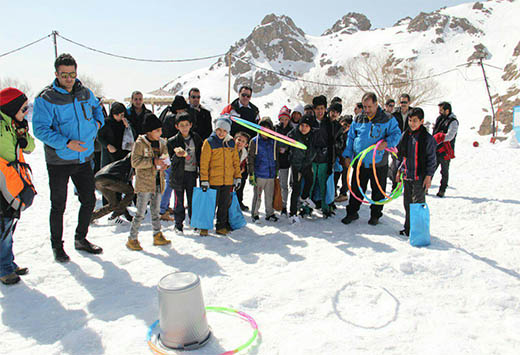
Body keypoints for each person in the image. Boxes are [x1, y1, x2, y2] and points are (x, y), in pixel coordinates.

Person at [33, 53, 104, 262]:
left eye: (72, 74)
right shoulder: (46, 98)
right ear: (56, 74)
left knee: (89, 200)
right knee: (59, 205)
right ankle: (57, 246)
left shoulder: (85, 92)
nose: (69, 79)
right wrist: (66, 142)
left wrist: (97, 125)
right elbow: (40, 129)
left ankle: (81, 239)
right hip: (59, 161)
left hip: (84, 159)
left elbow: (98, 109)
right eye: (64, 75)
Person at [341, 92, 401, 226]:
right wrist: (347, 155)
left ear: (376, 104)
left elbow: (397, 134)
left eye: (369, 107)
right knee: (356, 190)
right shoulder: (358, 118)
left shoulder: (387, 118)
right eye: (364, 107)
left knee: (378, 191)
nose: (367, 110)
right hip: (359, 162)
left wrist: (387, 143)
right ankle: (352, 212)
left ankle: (375, 215)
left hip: (378, 163)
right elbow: (351, 138)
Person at [0, 87, 35, 285]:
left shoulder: (16, 125)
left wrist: (23, 132)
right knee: (3, 226)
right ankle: (4, 268)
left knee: (9, 222)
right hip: (1, 179)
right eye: (23, 109)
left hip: (12, 179)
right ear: (11, 107)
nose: (25, 113)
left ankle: (8, 263)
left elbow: (30, 148)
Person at [127, 113, 171, 250]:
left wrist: (165, 164)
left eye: (160, 130)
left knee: (156, 211)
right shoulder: (140, 143)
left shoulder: (162, 143)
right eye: (157, 131)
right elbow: (135, 162)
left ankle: (157, 234)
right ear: (149, 131)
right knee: (140, 213)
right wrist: (153, 162)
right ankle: (132, 238)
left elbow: (165, 158)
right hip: (145, 183)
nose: (160, 133)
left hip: (158, 181)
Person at [395, 107, 436, 236]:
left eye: (415, 121)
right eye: (410, 120)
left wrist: (429, 176)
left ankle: (418, 232)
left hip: (420, 176)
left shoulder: (427, 138)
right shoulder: (406, 135)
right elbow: (401, 155)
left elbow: (431, 159)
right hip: (407, 175)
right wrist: (399, 170)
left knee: (417, 204)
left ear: (421, 121)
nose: (412, 124)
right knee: (407, 203)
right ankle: (408, 229)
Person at [199, 115, 241, 236]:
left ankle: (221, 226)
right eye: (219, 130)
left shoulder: (231, 143)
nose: (221, 133)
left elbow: (235, 162)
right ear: (215, 129)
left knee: (224, 205)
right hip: (213, 180)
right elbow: (204, 163)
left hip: (227, 180)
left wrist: (237, 177)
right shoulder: (209, 142)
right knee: (210, 204)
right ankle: (204, 226)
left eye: (224, 131)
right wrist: (204, 179)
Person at [166, 113, 202, 233]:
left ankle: (194, 222)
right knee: (179, 200)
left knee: (192, 199)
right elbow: (169, 160)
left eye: (187, 125)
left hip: (192, 173)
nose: (185, 127)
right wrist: (177, 156)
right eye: (182, 125)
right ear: (177, 126)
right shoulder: (172, 141)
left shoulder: (196, 138)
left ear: (191, 125)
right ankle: (178, 224)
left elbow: (200, 155)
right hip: (178, 174)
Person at [159, 95, 189, 220]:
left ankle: (164, 207)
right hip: (171, 154)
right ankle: (162, 209)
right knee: (171, 182)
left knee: (169, 181)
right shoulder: (173, 118)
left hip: (165, 152)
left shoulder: (165, 113)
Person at [288, 114, 317, 223]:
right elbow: (285, 140)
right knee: (296, 189)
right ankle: (292, 213)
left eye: (306, 126)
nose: (304, 128)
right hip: (297, 166)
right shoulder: (294, 134)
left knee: (310, 180)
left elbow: (314, 149)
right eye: (302, 125)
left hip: (307, 163)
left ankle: (304, 197)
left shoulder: (313, 135)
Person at [249, 118, 279, 222]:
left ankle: (269, 213)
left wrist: (276, 169)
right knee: (258, 196)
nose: (265, 131)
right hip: (259, 174)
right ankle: (255, 213)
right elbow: (251, 158)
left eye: (268, 129)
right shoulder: (255, 142)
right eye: (263, 128)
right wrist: (251, 173)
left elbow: (277, 156)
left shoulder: (274, 141)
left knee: (269, 196)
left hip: (270, 174)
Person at [91, 154, 134, 223]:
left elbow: (120, 201)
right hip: (108, 178)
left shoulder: (121, 163)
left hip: (98, 179)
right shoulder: (128, 165)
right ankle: (115, 216)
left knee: (113, 204)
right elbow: (122, 197)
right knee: (131, 192)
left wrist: (128, 216)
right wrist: (125, 215)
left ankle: (91, 217)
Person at [311, 95, 335, 218]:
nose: (319, 111)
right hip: (312, 160)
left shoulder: (328, 123)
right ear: (314, 109)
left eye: (322, 108)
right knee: (309, 184)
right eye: (317, 109)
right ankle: (307, 207)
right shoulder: (310, 122)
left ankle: (326, 208)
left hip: (325, 160)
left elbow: (332, 144)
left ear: (325, 109)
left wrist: (331, 161)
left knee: (324, 184)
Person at [432, 101, 458, 197]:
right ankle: (425, 187)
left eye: (441, 110)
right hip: (435, 149)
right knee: (431, 168)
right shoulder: (439, 119)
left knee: (444, 171)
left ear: (447, 110)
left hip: (446, 150)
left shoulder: (453, 121)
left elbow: (450, 135)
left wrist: (440, 137)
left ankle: (442, 190)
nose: (439, 112)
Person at [98, 102, 135, 168]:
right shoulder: (107, 123)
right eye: (116, 115)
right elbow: (99, 137)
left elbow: (133, 136)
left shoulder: (126, 122)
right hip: (110, 153)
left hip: (123, 153)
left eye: (121, 115)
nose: (119, 117)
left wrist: (127, 127)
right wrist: (107, 145)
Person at [275, 106, 292, 216]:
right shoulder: (275, 128)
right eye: (282, 119)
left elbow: (293, 143)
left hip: (287, 160)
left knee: (285, 184)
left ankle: (284, 205)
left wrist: (286, 148)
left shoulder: (291, 130)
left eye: (286, 119)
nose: (284, 122)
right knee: (277, 184)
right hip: (276, 160)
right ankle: (277, 203)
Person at [334, 115, 352, 202]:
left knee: (345, 176)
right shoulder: (337, 131)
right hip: (337, 157)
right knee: (335, 175)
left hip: (346, 157)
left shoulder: (350, 135)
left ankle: (343, 193)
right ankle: (333, 191)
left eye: (349, 126)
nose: (346, 127)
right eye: (344, 124)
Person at [234, 131, 251, 211]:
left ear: (246, 145)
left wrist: (242, 169)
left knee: (240, 187)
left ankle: (239, 202)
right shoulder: (229, 150)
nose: (240, 143)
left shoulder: (244, 152)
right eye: (239, 140)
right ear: (234, 140)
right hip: (228, 174)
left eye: (243, 141)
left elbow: (243, 163)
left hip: (239, 174)